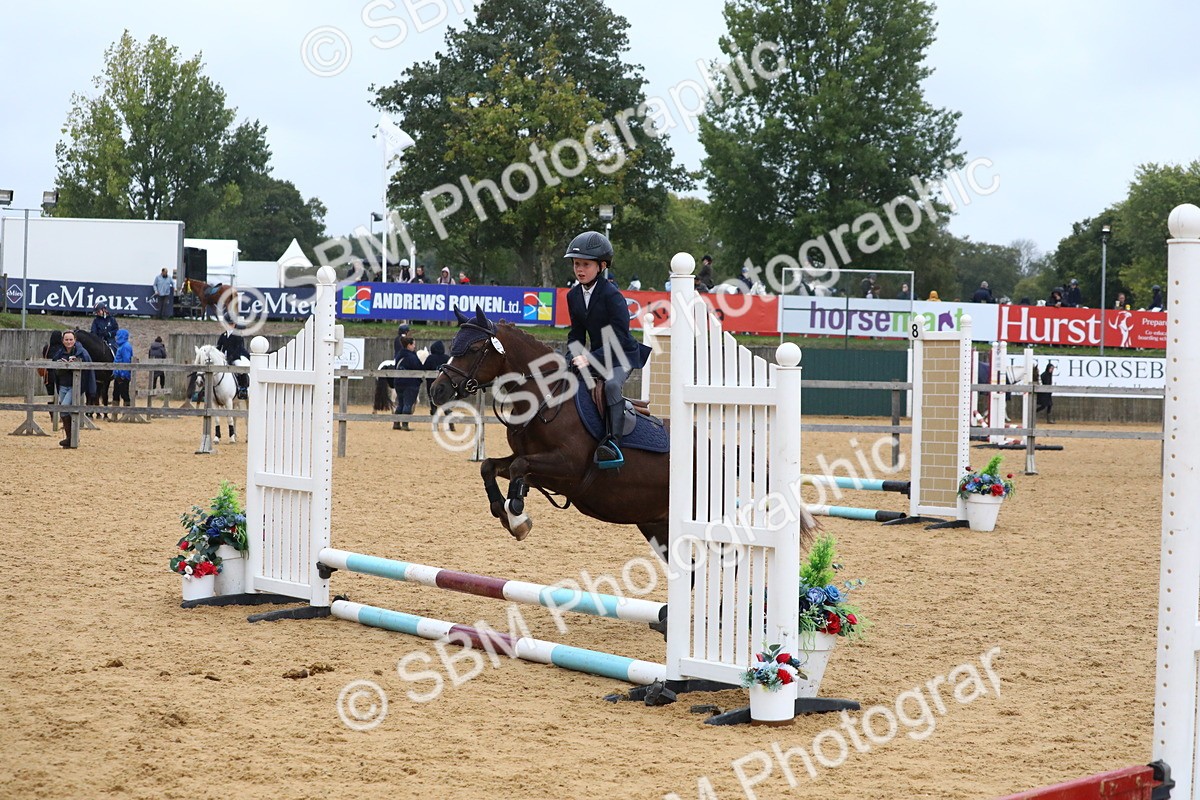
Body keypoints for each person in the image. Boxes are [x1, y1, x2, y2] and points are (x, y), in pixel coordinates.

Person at [563, 231, 652, 470]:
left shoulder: (613, 295)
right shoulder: (573, 296)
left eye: (586, 264)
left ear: (601, 266)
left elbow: (620, 338)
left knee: (612, 385)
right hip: (596, 355)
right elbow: (576, 334)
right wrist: (571, 356)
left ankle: (613, 443)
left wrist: (589, 359)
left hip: (622, 355)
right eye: (576, 264)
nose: (580, 269)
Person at [48, 330, 96, 448]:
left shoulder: (82, 353)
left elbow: (88, 369)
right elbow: (53, 366)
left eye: (71, 339)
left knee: (64, 408)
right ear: (63, 341)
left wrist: (75, 364)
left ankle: (71, 438)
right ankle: (71, 438)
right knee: (65, 410)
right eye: (66, 340)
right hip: (62, 385)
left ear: (75, 340)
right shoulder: (60, 352)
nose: (68, 342)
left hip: (74, 386)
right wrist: (61, 364)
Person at [392, 336, 422, 431]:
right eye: (413, 344)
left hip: (398, 382)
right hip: (410, 383)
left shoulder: (399, 355)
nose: (414, 346)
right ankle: (405, 424)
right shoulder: (412, 357)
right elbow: (419, 368)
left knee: (400, 403)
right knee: (408, 404)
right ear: (409, 345)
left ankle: (396, 423)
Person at [421, 340, 452, 430]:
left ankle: (435, 425)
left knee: (433, 404)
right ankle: (451, 424)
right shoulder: (447, 358)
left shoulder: (430, 358)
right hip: (445, 386)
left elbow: (424, 369)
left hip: (432, 385)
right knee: (446, 404)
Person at [216, 325, 251, 398]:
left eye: (230, 324)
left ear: (234, 324)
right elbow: (218, 347)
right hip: (224, 358)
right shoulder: (223, 335)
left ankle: (243, 388)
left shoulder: (237, 335)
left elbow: (239, 348)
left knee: (241, 369)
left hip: (234, 358)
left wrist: (231, 357)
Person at [112, 329, 133, 408]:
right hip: (118, 373)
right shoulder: (121, 346)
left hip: (122, 375)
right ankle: (115, 412)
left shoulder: (125, 346)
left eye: (118, 335)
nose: (116, 337)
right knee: (116, 393)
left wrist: (123, 374)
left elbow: (126, 361)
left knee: (124, 393)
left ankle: (127, 411)